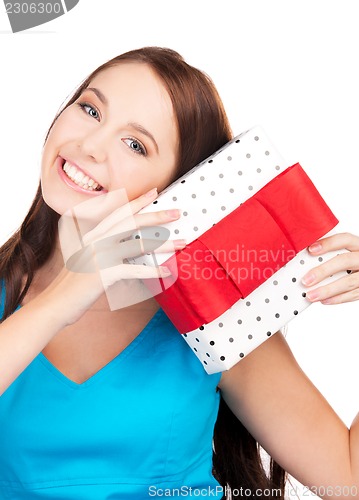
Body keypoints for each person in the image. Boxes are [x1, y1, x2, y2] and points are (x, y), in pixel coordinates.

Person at [0, 46, 358, 500]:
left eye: (135, 144)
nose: (88, 146)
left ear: (178, 186)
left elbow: (348, 478)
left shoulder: (216, 317)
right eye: (90, 109)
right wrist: (64, 297)